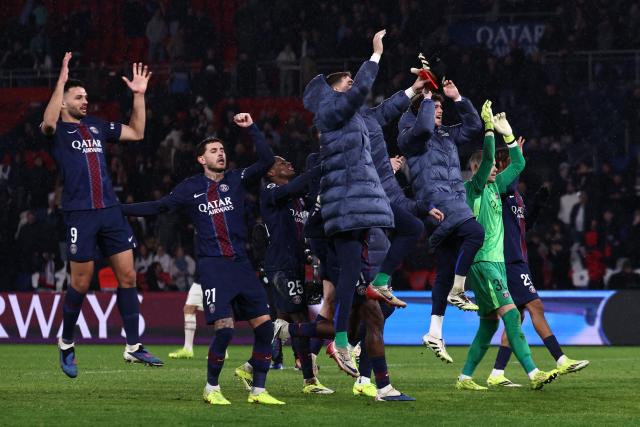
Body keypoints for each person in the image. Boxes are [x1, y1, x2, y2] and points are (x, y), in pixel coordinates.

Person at [121, 113, 284, 405]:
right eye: (213, 151)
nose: (220, 154)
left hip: (241, 264)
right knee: (225, 330)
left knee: (266, 327)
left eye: (222, 150)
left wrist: (252, 129)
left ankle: (258, 390)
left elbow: (266, 161)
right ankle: (211, 388)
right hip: (214, 266)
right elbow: (159, 207)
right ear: (201, 159)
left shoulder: (236, 180)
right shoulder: (189, 188)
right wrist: (120, 209)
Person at [41, 52, 162, 378]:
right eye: (78, 97)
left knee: (128, 277)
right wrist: (62, 80)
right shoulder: (57, 133)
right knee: (80, 283)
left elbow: (137, 132)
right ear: (63, 101)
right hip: (80, 215)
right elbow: (49, 121)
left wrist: (139, 96)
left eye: (86, 97)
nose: (85, 101)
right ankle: (66, 341)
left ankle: (133, 347)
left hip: (110, 211)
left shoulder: (96, 126)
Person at [301, 29, 398, 377]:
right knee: (348, 285)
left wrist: (414, 93)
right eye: (348, 81)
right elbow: (360, 93)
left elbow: (379, 112)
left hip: (357, 205)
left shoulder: (347, 118)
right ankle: (340, 342)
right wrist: (375, 55)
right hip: (347, 208)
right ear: (334, 89)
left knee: (355, 287)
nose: (354, 84)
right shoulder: (331, 112)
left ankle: (336, 341)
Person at [456, 102, 557, 391]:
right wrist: (488, 129)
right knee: (512, 314)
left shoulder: (496, 187)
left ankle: (465, 378)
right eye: (479, 167)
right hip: (484, 262)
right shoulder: (472, 188)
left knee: (488, 325)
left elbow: (520, 164)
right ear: (473, 170)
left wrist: (508, 136)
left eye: (487, 167)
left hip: (496, 262)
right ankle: (534, 371)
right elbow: (488, 159)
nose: (487, 169)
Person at [486, 147, 590, 387]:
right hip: (509, 260)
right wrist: (514, 152)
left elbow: (524, 225)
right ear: (503, 165)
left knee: (516, 317)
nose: (519, 168)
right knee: (536, 306)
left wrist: (538, 205)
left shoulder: (515, 197)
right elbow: (509, 183)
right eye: (513, 163)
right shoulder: (498, 191)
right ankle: (561, 359)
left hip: (517, 259)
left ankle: (497, 373)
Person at [397, 82, 484, 363]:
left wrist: (456, 97)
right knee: (475, 231)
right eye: (434, 108)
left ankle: (434, 331)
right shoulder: (411, 136)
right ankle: (459, 290)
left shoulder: (446, 134)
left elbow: (473, 127)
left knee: (445, 267)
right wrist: (424, 98)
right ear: (420, 110)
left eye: (439, 108)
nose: (438, 112)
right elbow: (422, 127)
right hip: (436, 200)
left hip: (453, 198)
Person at [241, 156, 332, 394]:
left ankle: (250, 367)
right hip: (280, 266)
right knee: (300, 320)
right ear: (271, 173)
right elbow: (294, 186)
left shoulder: (296, 200)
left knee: (284, 321)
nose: (289, 164)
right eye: (282, 163)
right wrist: (319, 167)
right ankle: (309, 381)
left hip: (294, 264)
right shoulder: (271, 192)